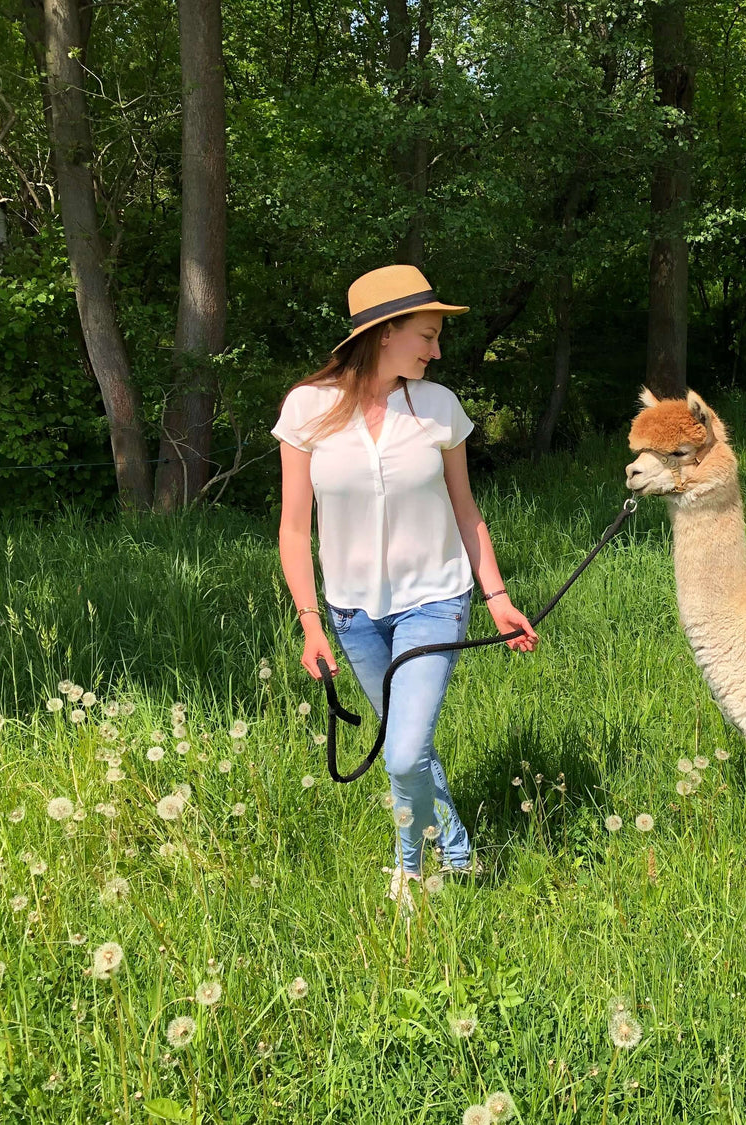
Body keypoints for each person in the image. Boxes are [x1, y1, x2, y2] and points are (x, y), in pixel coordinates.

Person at [273, 264, 537, 901]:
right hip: (352, 615)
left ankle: (411, 873)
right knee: (409, 745)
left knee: (401, 752)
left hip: (436, 602)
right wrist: (311, 625)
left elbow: (467, 513)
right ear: (384, 332)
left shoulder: (439, 407)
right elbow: (291, 530)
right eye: (426, 334)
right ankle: (458, 852)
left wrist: (496, 598)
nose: (437, 349)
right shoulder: (307, 408)